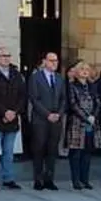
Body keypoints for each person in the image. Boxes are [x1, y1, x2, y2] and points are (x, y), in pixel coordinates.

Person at [0, 46, 26, 190]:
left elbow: (22, 96)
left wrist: (14, 112)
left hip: (12, 119)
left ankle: (8, 178)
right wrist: (4, 112)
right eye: (3, 56)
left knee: (8, 152)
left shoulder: (16, 74)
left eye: (8, 55)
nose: (6, 58)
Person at [27, 51, 67, 190]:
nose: (54, 63)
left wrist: (59, 114)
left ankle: (49, 179)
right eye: (51, 60)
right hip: (41, 119)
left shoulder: (59, 78)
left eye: (56, 61)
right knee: (39, 149)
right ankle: (38, 179)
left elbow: (63, 99)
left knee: (52, 149)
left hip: (56, 120)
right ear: (45, 61)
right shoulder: (35, 77)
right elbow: (34, 99)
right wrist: (47, 114)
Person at [64, 60, 100, 190]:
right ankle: (76, 180)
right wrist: (86, 117)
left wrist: (93, 116)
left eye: (87, 69)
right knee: (76, 153)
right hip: (77, 123)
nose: (85, 72)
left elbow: (97, 102)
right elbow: (73, 104)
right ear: (77, 72)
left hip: (91, 123)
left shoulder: (92, 86)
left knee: (87, 153)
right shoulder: (72, 86)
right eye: (82, 69)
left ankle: (85, 179)